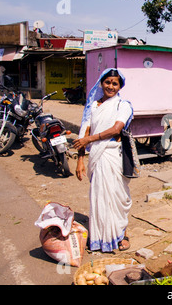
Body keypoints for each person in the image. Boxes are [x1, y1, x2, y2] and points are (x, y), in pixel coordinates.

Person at [73, 68, 134, 252]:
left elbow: (116, 129)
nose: (110, 86)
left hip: (112, 156)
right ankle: (100, 238)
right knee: (98, 197)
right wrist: (80, 160)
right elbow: (85, 131)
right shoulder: (93, 106)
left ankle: (121, 234)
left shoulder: (122, 105)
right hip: (96, 158)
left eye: (115, 83)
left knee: (117, 197)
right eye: (107, 82)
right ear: (101, 83)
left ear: (119, 86)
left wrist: (89, 140)